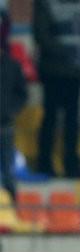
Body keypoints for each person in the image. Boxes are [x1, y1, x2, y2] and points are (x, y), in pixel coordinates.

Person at [33, 0, 80, 178]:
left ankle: (71, 165)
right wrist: (69, 54)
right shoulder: (45, 4)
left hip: (74, 72)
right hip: (53, 70)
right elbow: (41, 35)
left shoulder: (79, 5)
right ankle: (44, 163)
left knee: (72, 121)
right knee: (50, 118)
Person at [0, 10, 28, 201]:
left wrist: (10, 110)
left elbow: (23, 95)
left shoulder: (12, 66)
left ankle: (13, 211)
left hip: (5, 126)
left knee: (9, 172)